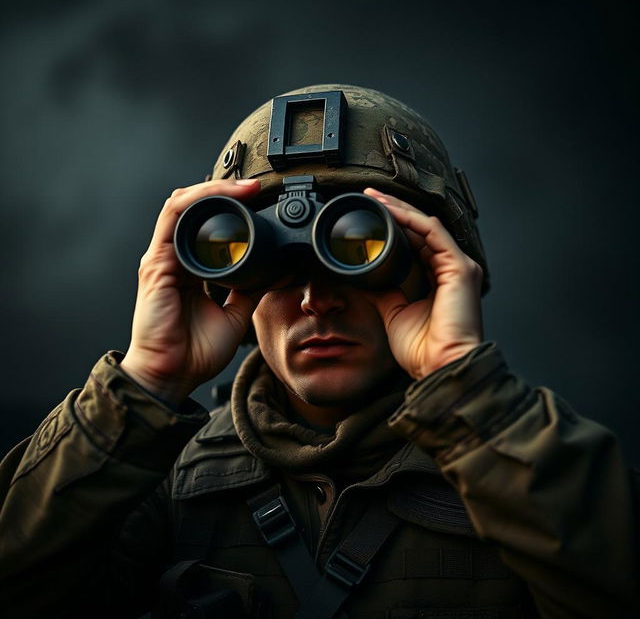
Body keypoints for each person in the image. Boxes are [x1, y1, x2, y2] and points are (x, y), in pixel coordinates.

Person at [0, 84, 637, 619]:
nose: (314, 300)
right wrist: (145, 383)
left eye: (358, 249)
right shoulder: (167, 482)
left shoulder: (510, 474)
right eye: (275, 263)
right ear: (228, 283)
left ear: (436, 268)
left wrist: (466, 392)